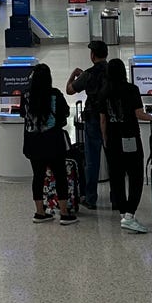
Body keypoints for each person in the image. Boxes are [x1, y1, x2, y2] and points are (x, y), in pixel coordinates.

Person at [102, 58, 152, 234]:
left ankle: (124, 214)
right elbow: (138, 114)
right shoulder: (132, 89)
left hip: (113, 140)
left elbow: (103, 120)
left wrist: (106, 140)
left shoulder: (104, 91)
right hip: (130, 138)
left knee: (116, 178)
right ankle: (130, 215)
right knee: (136, 176)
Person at [18, 64, 75, 225]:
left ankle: (40, 212)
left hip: (33, 144)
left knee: (38, 177)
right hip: (53, 143)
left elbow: (23, 114)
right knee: (60, 177)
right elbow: (65, 113)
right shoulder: (55, 94)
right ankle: (64, 213)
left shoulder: (26, 95)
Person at [65, 40, 109, 210]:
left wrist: (74, 74)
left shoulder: (88, 74)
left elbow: (69, 90)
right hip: (110, 119)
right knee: (113, 159)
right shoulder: (111, 71)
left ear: (92, 56)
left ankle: (90, 198)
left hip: (93, 119)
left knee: (92, 160)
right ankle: (116, 198)